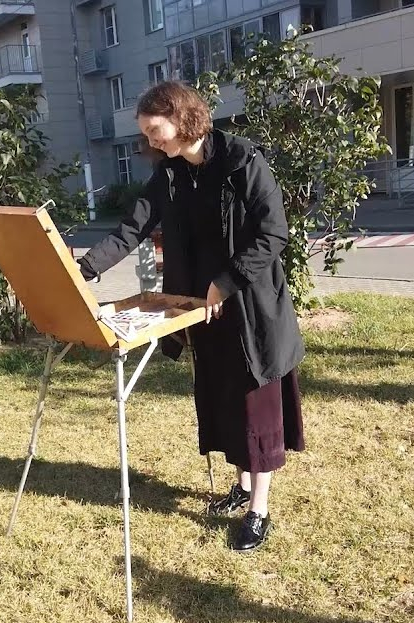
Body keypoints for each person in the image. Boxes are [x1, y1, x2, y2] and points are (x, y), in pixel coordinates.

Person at [77, 81, 305, 553]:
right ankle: (242, 485)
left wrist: (226, 281)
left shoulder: (242, 160)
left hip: (251, 306)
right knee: (224, 401)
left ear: (182, 119)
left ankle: (259, 510)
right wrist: (83, 268)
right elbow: (132, 228)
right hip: (199, 310)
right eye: (145, 134)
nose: (149, 141)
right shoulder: (169, 174)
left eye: (154, 131)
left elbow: (273, 233)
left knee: (254, 407)